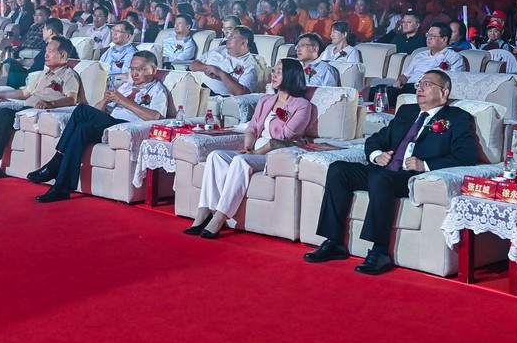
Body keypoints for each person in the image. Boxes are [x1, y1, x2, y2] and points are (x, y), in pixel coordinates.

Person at [304, 70, 478, 274]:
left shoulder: (456, 118)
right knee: (339, 170)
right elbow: (377, 139)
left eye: (428, 84)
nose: (420, 88)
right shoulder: (407, 112)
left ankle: (380, 251)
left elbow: (466, 156)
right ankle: (334, 242)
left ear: (444, 91)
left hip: (411, 178)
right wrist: (377, 155)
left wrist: (425, 165)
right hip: (384, 170)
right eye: (419, 84)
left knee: (380, 178)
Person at [185, 59, 316, 237]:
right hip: (254, 149)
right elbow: (253, 127)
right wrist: (248, 146)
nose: (274, 75)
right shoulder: (267, 100)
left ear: (292, 75)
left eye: (279, 71)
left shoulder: (302, 105)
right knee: (216, 156)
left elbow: (287, 136)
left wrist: (256, 152)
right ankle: (203, 212)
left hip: (275, 153)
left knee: (240, 161)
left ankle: (219, 218)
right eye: (274, 71)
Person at [27, 50, 169, 202]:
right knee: (82, 127)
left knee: (81, 109)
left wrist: (122, 101)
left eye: (139, 69)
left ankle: (56, 160)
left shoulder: (157, 90)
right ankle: (62, 187)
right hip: (110, 125)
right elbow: (98, 111)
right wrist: (106, 100)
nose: (134, 73)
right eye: (132, 69)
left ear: (153, 70)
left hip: (127, 128)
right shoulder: (125, 87)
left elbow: (155, 117)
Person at [0, 35, 79, 181]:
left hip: (35, 113)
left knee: (4, 113)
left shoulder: (69, 74)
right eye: (46, 51)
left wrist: (51, 104)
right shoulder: (44, 74)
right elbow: (24, 93)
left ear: (63, 55)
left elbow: (72, 99)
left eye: (50, 51)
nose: (45, 54)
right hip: (24, 110)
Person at [396, 22, 468, 93]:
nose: (428, 38)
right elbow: (405, 76)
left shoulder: (454, 57)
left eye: (433, 36)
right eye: (428, 35)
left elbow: (454, 81)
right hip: (409, 87)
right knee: (387, 92)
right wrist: (399, 81)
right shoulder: (420, 55)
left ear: (444, 39)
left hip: (428, 91)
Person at [190, 26, 258, 97]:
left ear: (244, 42)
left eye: (232, 37)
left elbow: (242, 92)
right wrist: (207, 68)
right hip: (195, 82)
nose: (228, 38)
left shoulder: (250, 65)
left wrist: (220, 73)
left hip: (212, 95)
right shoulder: (219, 50)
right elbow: (192, 65)